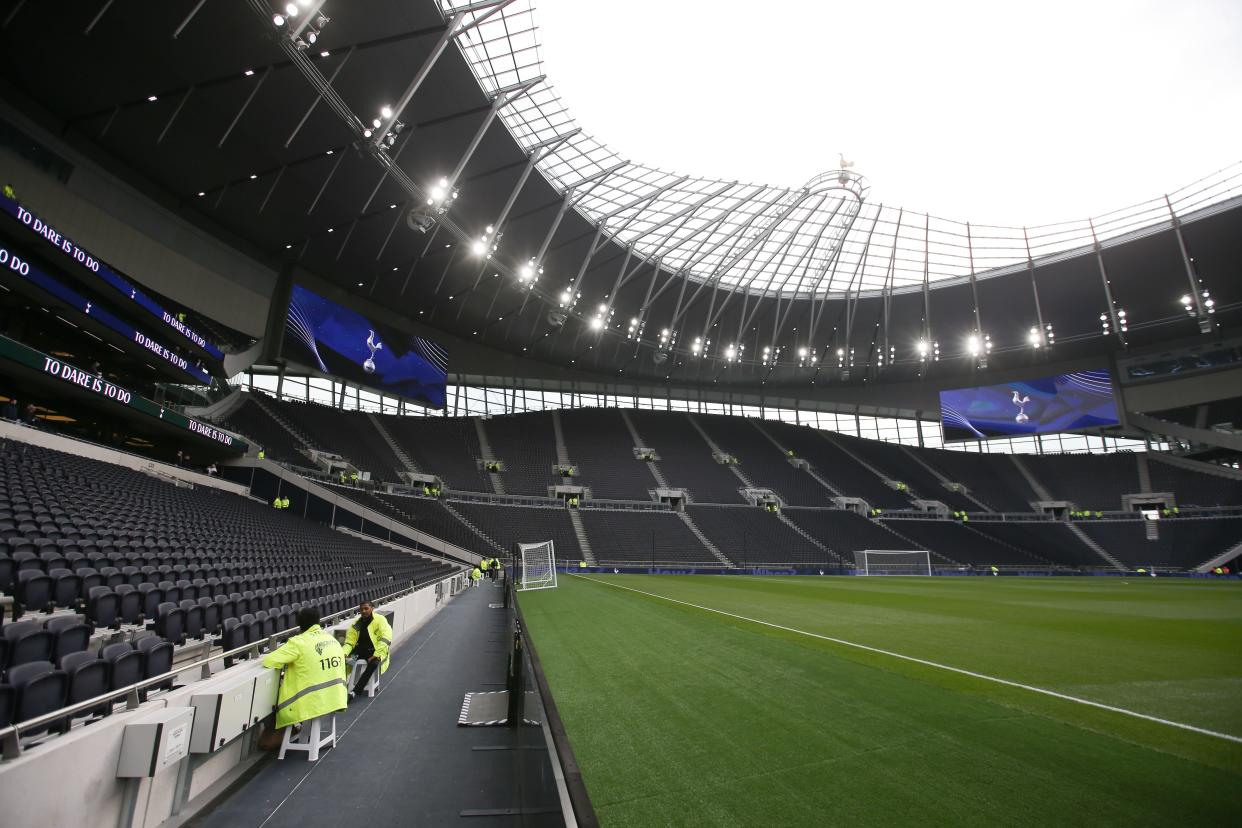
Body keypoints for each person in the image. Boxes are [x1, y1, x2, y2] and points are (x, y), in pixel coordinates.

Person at [260, 607, 348, 744]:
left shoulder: (298, 642)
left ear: (299, 623)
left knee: (269, 705)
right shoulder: (331, 640)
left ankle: (293, 728)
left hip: (310, 703)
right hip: (335, 697)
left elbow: (269, 661)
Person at [342, 601, 392, 698]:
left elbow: (386, 637)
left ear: (372, 608)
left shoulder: (380, 620)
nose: (363, 611)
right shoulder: (356, 624)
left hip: (376, 651)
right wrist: (344, 653)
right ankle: (341, 688)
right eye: (361, 609)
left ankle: (355, 692)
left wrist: (376, 654)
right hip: (360, 651)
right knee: (343, 661)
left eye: (366, 608)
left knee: (373, 664)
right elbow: (349, 642)